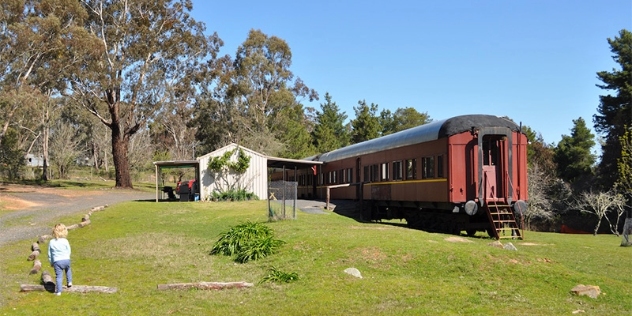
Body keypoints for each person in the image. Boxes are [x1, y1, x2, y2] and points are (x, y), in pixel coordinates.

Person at [48, 223, 72, 295]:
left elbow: (50, 254)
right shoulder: (65, 241)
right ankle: (69, 282)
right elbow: (69, 250)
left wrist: (51, 262)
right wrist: (68, 257)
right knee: (68, 269)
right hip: (66, 259)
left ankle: (58, 291)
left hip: (57, 261)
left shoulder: (52, 242)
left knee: (59, 276)